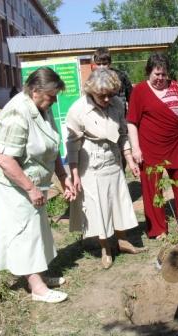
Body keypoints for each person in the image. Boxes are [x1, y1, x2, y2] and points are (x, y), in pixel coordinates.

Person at [0, 67, 76, 303]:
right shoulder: (17, 113)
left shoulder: (41, 107)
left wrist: (62, 176)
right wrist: (30, 188)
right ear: (36, 90)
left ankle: (39, 274)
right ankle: (36, 287)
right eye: (51, 96)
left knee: (38, 228)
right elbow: (5, 160)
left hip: (32, 179)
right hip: (12, 182)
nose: (54, 100)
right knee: (26, 231)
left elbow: (52, 144)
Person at [66, 68, 146, 270]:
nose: (107, 99)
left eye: (111, 94)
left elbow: (123, 133)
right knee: (99, 208)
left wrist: (129, 158)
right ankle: (106, 249)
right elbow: (72, 145)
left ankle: (123, 241)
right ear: (91, 91)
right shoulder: (78, 110)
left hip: (114, 162)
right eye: (103, 95)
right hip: (91, 166)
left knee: (119, 202)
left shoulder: (117, 104)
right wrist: (74, 172)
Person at [127, 52, 178, 240]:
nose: (160, 78)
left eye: (163, 74)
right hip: (149, 149)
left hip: (175, 146)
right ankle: (158, 229)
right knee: (152, 190)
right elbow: (132, 122)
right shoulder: (140, 91)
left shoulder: (176, 88)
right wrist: (135, 148)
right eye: (156, 74)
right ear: (149, 72)